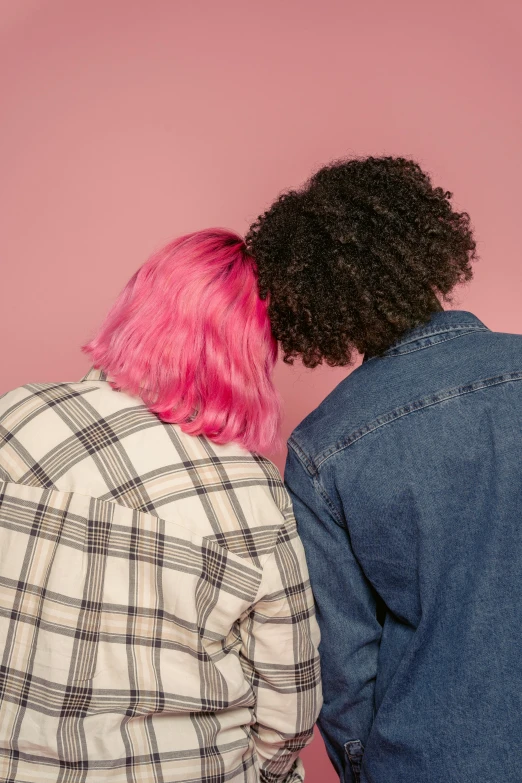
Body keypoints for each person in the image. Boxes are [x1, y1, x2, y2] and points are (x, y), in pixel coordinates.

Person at [0, 229, 321, 783]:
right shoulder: (252, 491)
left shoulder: (21, 417)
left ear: (139, 307)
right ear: (252, 349)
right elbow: (290, 703)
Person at [246, 156, 522, 783]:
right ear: (428, 246)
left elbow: (343, 668)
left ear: (316, 303)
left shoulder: (325, 447)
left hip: (435, 759)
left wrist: (368, 769)